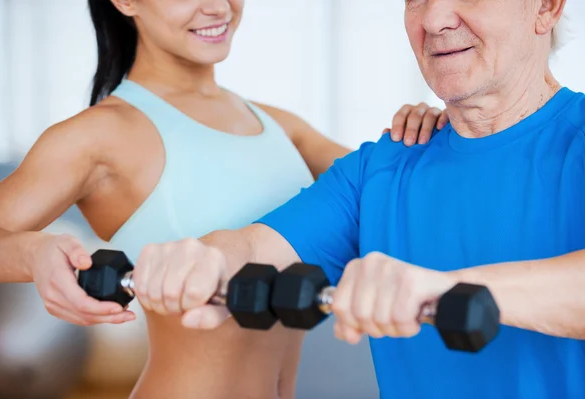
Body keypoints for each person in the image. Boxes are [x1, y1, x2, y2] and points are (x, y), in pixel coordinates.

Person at [0, 0, 447, 398]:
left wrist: (427, 133)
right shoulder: (98, 136)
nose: (218, 6)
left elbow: (401, 199)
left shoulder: (279, 126)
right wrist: (33, 253)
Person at [133, 0, 585, 398]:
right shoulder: (382, 165)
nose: (434, 18)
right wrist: (203, 257)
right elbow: (255, 248)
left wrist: (444, 291)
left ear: (546, 7)